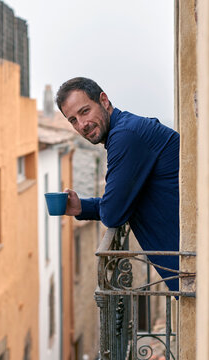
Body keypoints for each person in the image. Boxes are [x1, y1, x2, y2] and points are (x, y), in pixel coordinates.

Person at [56, 77, 180, 292]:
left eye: (85, 111)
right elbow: (124, 199)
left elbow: (113, 213)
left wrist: (105, 207)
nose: (82, 125)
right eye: (73, 120)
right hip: (193, 264)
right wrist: (82, 207)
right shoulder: (125, 130)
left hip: (198, 265)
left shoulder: (125, 136)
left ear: (104, 100)